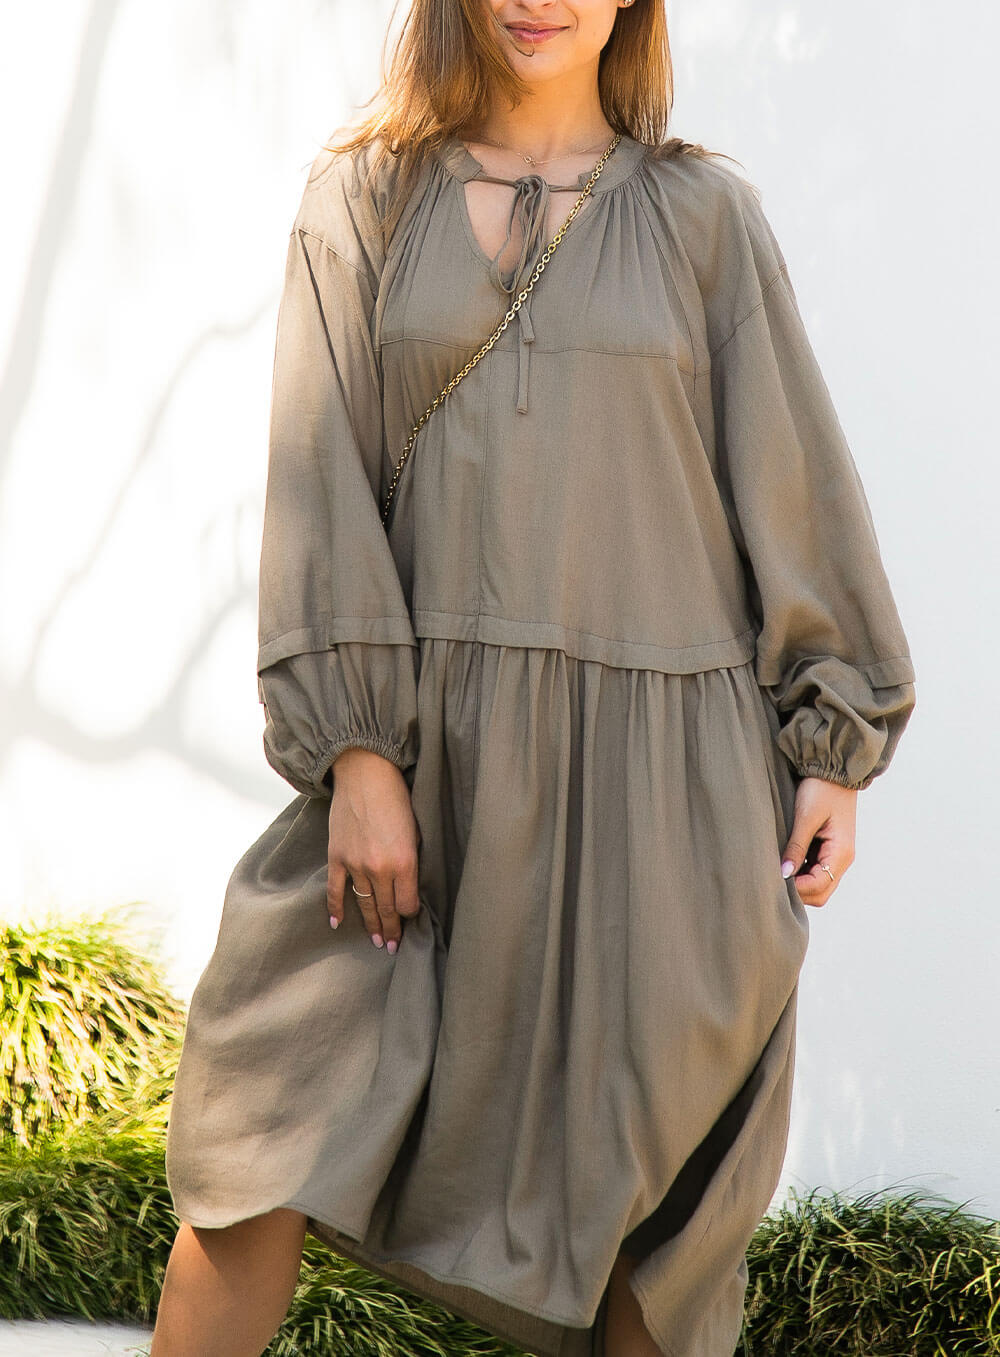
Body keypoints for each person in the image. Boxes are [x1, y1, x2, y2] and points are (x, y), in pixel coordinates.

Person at [154, 2, 917, 1355]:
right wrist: (361, 757)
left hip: (667, 796)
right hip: (426, 763)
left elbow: (792, 483)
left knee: (647, 1231)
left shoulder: (704, 222)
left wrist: (830, 747)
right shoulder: (363, 201)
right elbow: (319, 489)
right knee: (255, 1128)